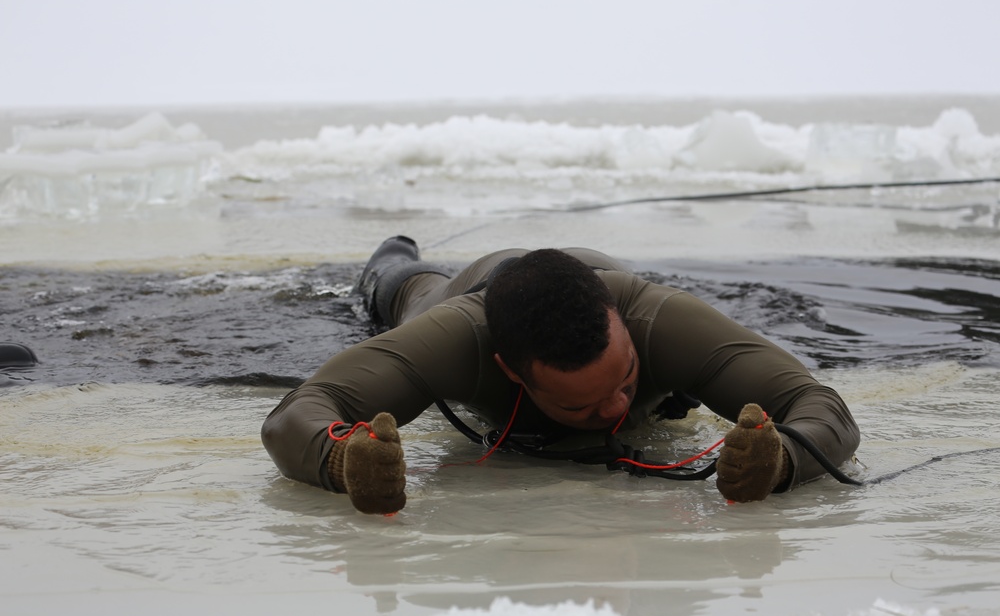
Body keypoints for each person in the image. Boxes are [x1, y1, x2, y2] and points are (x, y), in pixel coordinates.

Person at [261, 236, 860, 514]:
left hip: (584, 279)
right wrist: (343, 461)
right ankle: (391, 252)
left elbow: (818, 405)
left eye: (626, 381)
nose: (614, 411)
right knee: (394, 279)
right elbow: (295, 417)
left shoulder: (657, 320)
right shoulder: (457, 341)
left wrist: (781, 460)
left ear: (623, 329)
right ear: (510, 374)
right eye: (581, 406)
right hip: (451, 291)